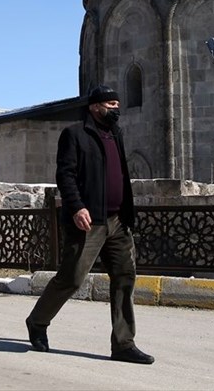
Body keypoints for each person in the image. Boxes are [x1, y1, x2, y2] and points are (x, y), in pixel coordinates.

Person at [25, 85, 154, 364]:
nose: (116, 109)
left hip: (118, 220)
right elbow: (65, 175)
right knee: (72, 278)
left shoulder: (116, 134)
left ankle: (123, 344)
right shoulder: (74, 134)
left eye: (117, 104)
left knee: (125, 276)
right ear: (95, 107)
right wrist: (77, 206)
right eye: (110, 104)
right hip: (88, 221)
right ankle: (37, 321)